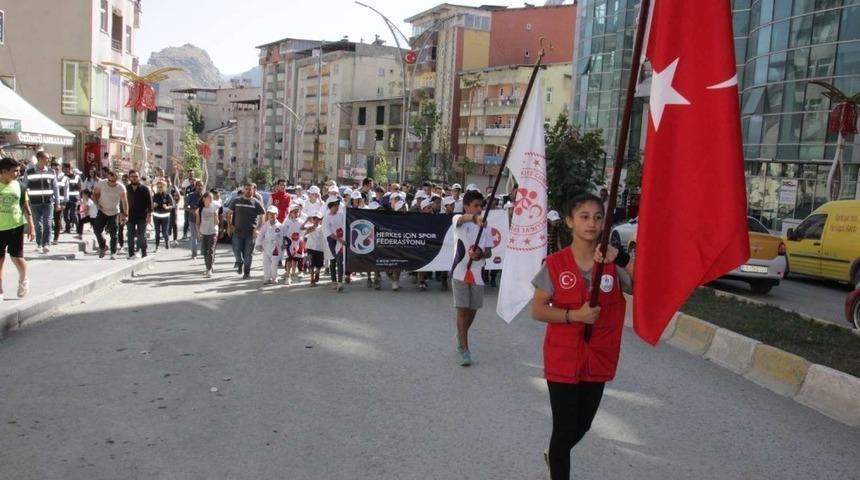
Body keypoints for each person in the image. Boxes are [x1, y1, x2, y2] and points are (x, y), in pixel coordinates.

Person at [530, 193, 632, 480]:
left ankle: (555, 454)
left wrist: (620, 256)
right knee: (563, 428)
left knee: (583, 424)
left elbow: (648, 281)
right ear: (570, 221)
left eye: (598, 217)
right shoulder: (555, 263)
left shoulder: (612, 262)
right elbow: (537, 310)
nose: (592, 223)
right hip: (562, 357)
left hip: (598, 357)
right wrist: (574, 316)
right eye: (584, 217)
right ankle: (559, 465)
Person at [450, 190, 494, 367]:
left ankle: (461, 335)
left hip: (477, 272)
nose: (479, 209)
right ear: (466, 206)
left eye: (481, 206)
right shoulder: (458, 221)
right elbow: (462, 220)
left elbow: (489, 252)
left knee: (473, 309)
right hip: (460, 271)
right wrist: (475, 219)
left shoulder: (487, 227)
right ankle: (465, 349)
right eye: (475, 206)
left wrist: (481, 254)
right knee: (462, 311)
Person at [0, 157, 35, 300]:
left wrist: (31, 226)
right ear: (4, 171)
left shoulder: (20, 186)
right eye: (15, 171)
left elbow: (25, 207)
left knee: (17, 258)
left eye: (18, 170)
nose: (17, 173)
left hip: (16, 227)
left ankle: (23, 279)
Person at [22, 151, 60, 254]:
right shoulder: (29, 172)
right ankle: (39, 243)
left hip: (48, 202)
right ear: (40, 159)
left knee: (47, 223)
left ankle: (46, 244)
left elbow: (55, 187)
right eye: (46, 158)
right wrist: (24, 201)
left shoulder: (51, 172)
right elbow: (24, 187)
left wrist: (57, 202)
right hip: (34, 202)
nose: (48, 160)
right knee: (38, 225)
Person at [226, 182, 265, 279]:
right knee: (236, 251)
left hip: (250, 233)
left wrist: (257, 229)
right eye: (246, 189)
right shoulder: (236, 200)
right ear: (243, 190)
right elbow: (229, 213)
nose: (248, 191)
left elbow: (262, 216)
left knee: (248, 254)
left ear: (253, 190)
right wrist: (229, 226)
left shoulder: (256, 202)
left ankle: (247, 272)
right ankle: (239, 262)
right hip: (237, 232)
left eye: (250, 189)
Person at [93, 170, 128, 260]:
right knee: (97, 229)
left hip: (114, 212)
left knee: (113, 233)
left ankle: (113, 252)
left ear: (117, 180)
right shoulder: (101, 183)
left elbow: (124, 202)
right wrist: (97, 203)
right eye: (110, 180)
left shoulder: (121, 187)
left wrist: (125, 214)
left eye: (113, 181)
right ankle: (103, 245)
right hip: (102, 210)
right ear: (107, 178)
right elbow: (95, 194)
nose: (111, 183)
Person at [125, 170, 152, 259]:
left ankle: (144, 252)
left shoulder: (144, 189)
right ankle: (131, 253)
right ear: (129, 177)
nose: (134, 178)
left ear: (139, 177)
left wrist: (149, 215)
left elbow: (150, 203)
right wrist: (122, 213)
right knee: (130, 235)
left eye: (136, 176)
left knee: (142, 235)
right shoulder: (126, 188)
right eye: (132, 176)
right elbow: (122, 202)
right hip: (130, 216)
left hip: (142, 215)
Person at [255, 206, 283, 285]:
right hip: (266, 246)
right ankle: (267, 278)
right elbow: (260, 235)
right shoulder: (265, 225)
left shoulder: (280, 226)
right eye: (269, 214)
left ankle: (274, 277)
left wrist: (282, 246)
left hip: (276, 248)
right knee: (266, 263)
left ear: (276, 215)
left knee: (274, 264)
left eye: (273, 214)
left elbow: (282, 237)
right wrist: (258, 244)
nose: (271, 215)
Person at [323, 199, 346, 292]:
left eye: (338, 205)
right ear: (330, 207)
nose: (337, 207)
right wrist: (340, 240)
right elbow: (329, 233)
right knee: (333, 261)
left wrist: (342, 240)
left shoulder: (341, 215)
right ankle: (333, 281)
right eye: (335, 205)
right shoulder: (326, 218)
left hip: (341, 242)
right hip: (331, 241)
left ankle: (340, 282)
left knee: (340, 261)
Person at [197, 191, 220, 277]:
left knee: (210, 250)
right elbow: (197, 222)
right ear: (204, 199)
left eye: (212, 198)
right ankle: (208, 267)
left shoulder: (214, 208)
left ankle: (209, 269)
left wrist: (215, 214)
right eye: (209, 198)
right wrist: (199, 233)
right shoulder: (200, 210)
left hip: (213, 232)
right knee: (204, 252)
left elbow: (217, 222)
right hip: (204, 232)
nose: (211, 199)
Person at [151, 180, 174, 252]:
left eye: (161, 187)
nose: (159, 188)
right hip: (156, 215)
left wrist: (167, 207)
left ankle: (167, 241)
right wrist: (153, 206)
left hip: (165, 215)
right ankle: (157, 246)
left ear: (165, 187)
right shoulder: (155, 195)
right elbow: (151, 205)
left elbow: (173, 205)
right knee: (157, 232)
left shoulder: (167, 195)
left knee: (165, 231)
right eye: (158, 187)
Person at [185, 181, 204, 259]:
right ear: (195, 186)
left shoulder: (204, 196)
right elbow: (185, 206)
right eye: (199, 186)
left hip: (203, 220)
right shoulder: (191, 196)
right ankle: (194, 254)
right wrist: (192, 211)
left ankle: (203, 252)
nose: (200, 187)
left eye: (201, 186)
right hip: (192, 219)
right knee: (194, 237)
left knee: (203, 236)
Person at [50, 159, 66, 245]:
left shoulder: (64, 178)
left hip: (59, 202)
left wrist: (64, 203)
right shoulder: (49, 177)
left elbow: (66, 191)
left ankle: (56, 238)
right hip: (49, 201)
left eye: (57, 169)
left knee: (57, 220)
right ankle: (47, 238)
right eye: (53, 169)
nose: (55, 171)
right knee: (48, 221)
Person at [62, 163, 81, 234]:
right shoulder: (63, 176)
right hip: (65, 199)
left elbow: (80, 188)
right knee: (65, 215)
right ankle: (67, 228)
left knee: (73, 214)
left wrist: (80, 198)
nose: (67, 170)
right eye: (66, 169)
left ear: (71, 169)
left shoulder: (76, 177)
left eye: (68, 169)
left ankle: (78, 228)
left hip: (74, 198)